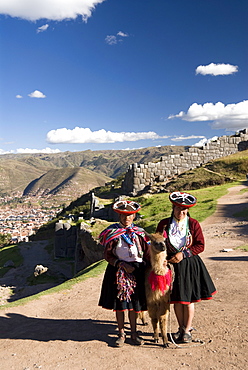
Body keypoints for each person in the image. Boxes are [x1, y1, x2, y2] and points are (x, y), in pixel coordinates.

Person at [156, 191, 216, 343]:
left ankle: (188, 330)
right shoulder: (164, 224)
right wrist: (162, 259)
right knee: (177, 299)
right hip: (172, 266)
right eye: (177, 208)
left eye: (184, 210)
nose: (180, 212)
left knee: (188, 300)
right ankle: (180, 329)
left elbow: (200, 245)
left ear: (188, 210)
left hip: (189, 265)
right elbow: (157, 245)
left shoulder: (193, 224)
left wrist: (183, 254)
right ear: (173, 207)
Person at [98, 199, 150, 347]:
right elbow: (108, 255)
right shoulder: (113, 233)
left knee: (134, 304)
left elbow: (147, 253)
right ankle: (121, 333)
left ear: (134, 216)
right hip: (118, 271)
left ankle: (134, 332)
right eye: (123, 215)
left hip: (137, 271)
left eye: (129, 215)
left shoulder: (140, 233)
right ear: (119, 216)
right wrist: (121, 264)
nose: (126, 218)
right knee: (120, 304)